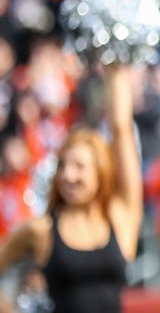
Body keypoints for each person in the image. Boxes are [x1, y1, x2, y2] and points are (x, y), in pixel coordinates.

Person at [0, 63, 142, 313]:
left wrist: (114, 65)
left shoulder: (121, 217)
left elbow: (122, 131)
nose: (68, 175)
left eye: (79, 166)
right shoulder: (40, 230)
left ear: (100, 174)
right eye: (63, 166)